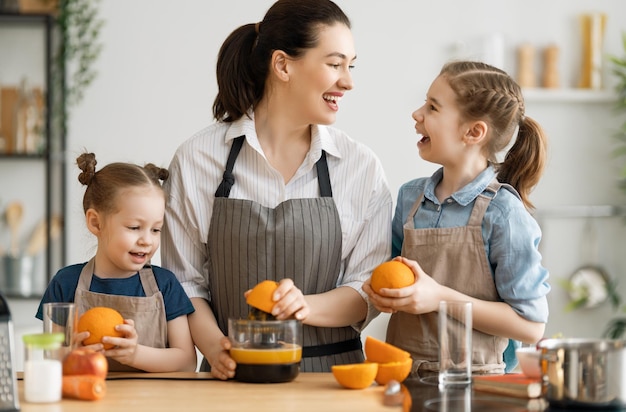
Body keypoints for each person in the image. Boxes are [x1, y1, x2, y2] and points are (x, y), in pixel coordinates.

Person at [161, 0, 392, 378]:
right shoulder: (198, 158)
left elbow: (367, 289)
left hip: (332, 382)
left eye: (351, 66)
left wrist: (304, 306)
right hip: (230, 377)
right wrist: (217, 348)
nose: (348, 81)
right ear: (283, 65)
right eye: (335, 64)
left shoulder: (360, 167)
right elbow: (185, 281)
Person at [364, 61, 550, 376]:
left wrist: (439, 298)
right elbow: (391, 272)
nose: (417, 114)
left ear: (473, 132)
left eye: (433, 107)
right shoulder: (410, 198)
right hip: (401, 380)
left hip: (476, 393)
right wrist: (385, 296)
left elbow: (531, 326)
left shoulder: (504, 214)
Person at [36, 152, 197, 373]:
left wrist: (136, 354)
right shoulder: (66, 283)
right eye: (134, 227)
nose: (146, 240)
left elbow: (186, 361)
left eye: (156, 229)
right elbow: (50, 360)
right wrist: (72, 352)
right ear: (96, 223)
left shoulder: (165, 285)